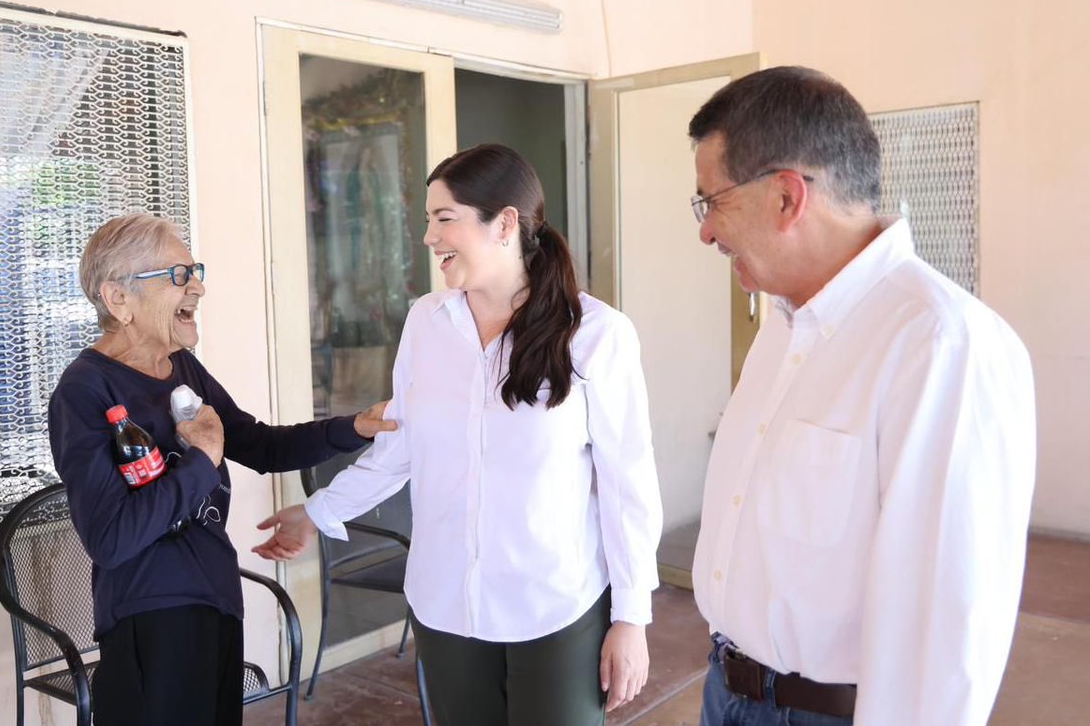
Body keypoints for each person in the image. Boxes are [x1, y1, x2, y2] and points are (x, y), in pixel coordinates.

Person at [253, 143, 663, 726]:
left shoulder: (596, 335)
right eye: (427, 220)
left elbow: (628, 487)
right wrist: (317, 512)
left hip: (555, 607)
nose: (429, 237)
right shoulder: (428, 321)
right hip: (446, 605)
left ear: (504, 224)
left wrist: (632, 618)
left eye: (444, 219)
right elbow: (401, 444)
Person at [686, 67, 1036, 726]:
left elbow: (947, 628)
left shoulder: (941, 344)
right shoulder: (782, 330)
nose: (706, 232)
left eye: (713, 202)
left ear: (788, 197)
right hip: (727, 690)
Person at [48, 213, 396, 726]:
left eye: (194, 271)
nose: (198, 288)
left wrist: (355, 428)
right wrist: (202, 459)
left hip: (215, 598)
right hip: (151, 616)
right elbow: (111, 538)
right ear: (118, 299)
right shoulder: (84, 392)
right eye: (178, 276)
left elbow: (260, 445)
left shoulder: (181, 368)